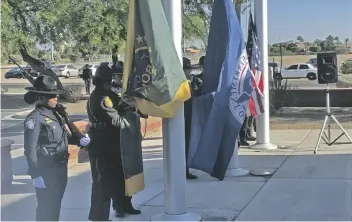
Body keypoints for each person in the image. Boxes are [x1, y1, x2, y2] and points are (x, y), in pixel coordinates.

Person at [23, 75, 91, 221]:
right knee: (46, 207)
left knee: (56, 204)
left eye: (55, 95)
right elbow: (30, 148)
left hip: (60, 167)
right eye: (51, 96)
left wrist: (80, 141)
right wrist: (35, 174)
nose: (55, 98)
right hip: (45, 169)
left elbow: (62, 137)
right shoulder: (35, 118)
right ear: (41, 97)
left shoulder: (57, 114)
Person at [87, 65, 140, 220]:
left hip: (114, 143)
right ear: (105, 82)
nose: (112, 83)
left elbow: (122, 105)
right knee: (102, 183)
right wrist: (131, 116)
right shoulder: (103, 99)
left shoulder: (108, 94)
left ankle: (123, 205)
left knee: (121, 176)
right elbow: (116, 120)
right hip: (102, 144)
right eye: (110, 80)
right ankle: (99, 217)